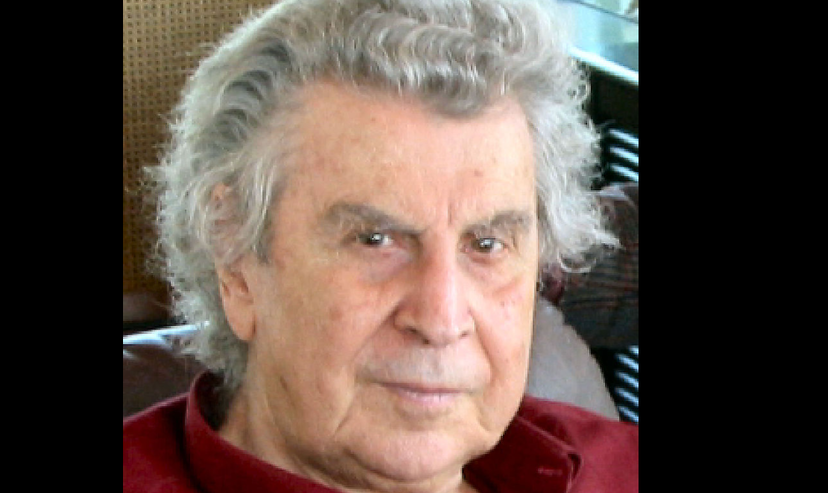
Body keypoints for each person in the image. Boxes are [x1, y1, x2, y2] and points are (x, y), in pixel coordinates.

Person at [123, 0, 638, 491]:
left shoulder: (616, 466)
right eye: (375, 240)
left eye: (486, 244)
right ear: (235, 258)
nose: (441, 320)